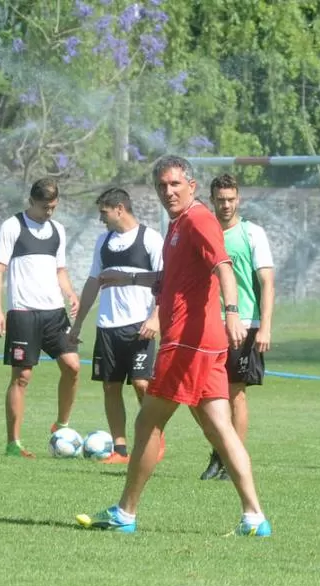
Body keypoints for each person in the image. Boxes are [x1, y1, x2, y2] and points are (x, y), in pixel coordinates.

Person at [76, 155, 271, 536]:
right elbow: (174, 280)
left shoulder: (199, 220)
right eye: (162, 185)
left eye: (175, 184)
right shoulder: (178, 226)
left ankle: (125, 513)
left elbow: (224, 266)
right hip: (201, 344)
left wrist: (231, 311)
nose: (168, 191)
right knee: (220, 428)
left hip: (188, 343)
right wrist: (127, 277)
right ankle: (255, 517)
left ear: (192, 186)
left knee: (148, 422)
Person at [69, 187, 164, 464]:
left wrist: (156, 317)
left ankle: (155, 440)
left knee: (141, 384)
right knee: (110, 386)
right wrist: (77, 325)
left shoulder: (150, 239)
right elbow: (92, 282)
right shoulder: (104, 241)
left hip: (139, 325)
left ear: (120, 208)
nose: (101, 218)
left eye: (104, 212)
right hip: (107, 326)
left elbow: (164, 281)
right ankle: (120, 450)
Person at [0, 177, 81, 458]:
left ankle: (61, 425)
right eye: (45, 207)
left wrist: (71, 294)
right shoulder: (13, 226)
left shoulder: (58, 230)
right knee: (22, 376)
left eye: (53, 207)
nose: (49, 212)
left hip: (54, 313)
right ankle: (13, 443)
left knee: (73, 366)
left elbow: (60, 270)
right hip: (23, 312)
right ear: (32, 202)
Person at [200, 173, 275, 481]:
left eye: (231, 199)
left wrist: (266, 326)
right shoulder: (204, 232)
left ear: (238, 199)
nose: (226, 205)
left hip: (243, 324)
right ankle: (220, 454)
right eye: (220, 200)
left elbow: (267, 282)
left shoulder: (252, 233)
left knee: (234, 394)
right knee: (205, 396)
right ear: (212, 200)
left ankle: (232, 460)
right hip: (207, 325)